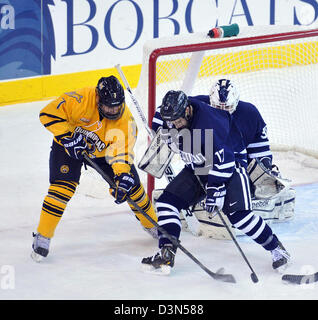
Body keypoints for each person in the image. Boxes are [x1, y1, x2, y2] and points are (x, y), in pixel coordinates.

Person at [141, 90, 290, 274]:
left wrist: (214, 191)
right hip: (200, 166)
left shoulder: (209, 124)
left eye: (178, 121)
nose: (175, 125)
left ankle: (277, 248)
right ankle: (166, 252)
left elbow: (225, 161)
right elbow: (159, 114)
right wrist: (159, 128)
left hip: (231, 166)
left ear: (187, 111)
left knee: (239, 216)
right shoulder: (175, 112)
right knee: (166, 203)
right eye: (171, 121)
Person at [31, 75, 158, 262]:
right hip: (69, 147)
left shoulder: (126, 122)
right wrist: (68, 136)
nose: (114, 110)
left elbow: (120, 156)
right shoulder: (80, 99)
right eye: (109, 106)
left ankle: (152, 225)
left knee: (132, 188)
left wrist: (122, 177)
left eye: (117, 105)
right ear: (98, 98)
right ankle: (43, 236)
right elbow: (47, 114)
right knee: (61, 190)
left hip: (105, 153)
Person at [196, 79, 295, 219]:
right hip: (213, 161)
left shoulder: (249, 113)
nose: (223, 112)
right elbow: (176, 107)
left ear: (235, 103)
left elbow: (260, 150)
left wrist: (262, 173)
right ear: (210, 103)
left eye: (228, 108)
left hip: (240, 162)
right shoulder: (199, 107)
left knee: (261, 177)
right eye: (218, 108)